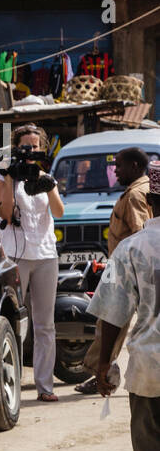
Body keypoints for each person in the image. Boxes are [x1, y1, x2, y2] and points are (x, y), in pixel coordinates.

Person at [90, 161, 160, 451]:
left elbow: (113, 313)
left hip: (149, 367)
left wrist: (104, 363)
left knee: (149, 448)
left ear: (149, 199)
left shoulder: (132, 249)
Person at [0, 124, 64, 401]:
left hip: (46, 254)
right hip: (16, 256)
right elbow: (8, 215)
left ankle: (44, 386)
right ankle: (10, 385)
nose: (31, 151)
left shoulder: (46, 176)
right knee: (13, 322)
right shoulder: (3, 177)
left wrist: (50, 187)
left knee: (45, 324)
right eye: (26, 146)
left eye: (36, 146)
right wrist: (12, 177)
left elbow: (58, 211)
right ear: (16, 148)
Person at [75, 146, 153, 393]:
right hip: (122, 265)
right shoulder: (138, 191)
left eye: (119, 166)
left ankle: (102, 371)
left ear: (135, 167)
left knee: (109, 319)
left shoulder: (134, 196)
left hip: (125, 269)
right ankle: (102, 370)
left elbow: (142, 234)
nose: (115, 171)